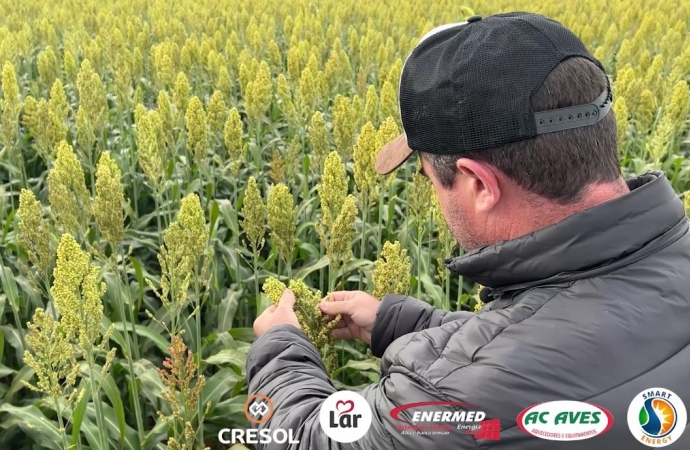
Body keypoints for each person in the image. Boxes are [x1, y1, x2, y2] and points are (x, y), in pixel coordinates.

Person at [246, 11, 690, 450]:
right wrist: (405, 324)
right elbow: (564, 345)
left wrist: (281, 352)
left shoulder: (463, 403)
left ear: (479, 184)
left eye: (429, 180)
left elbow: (309, 440)